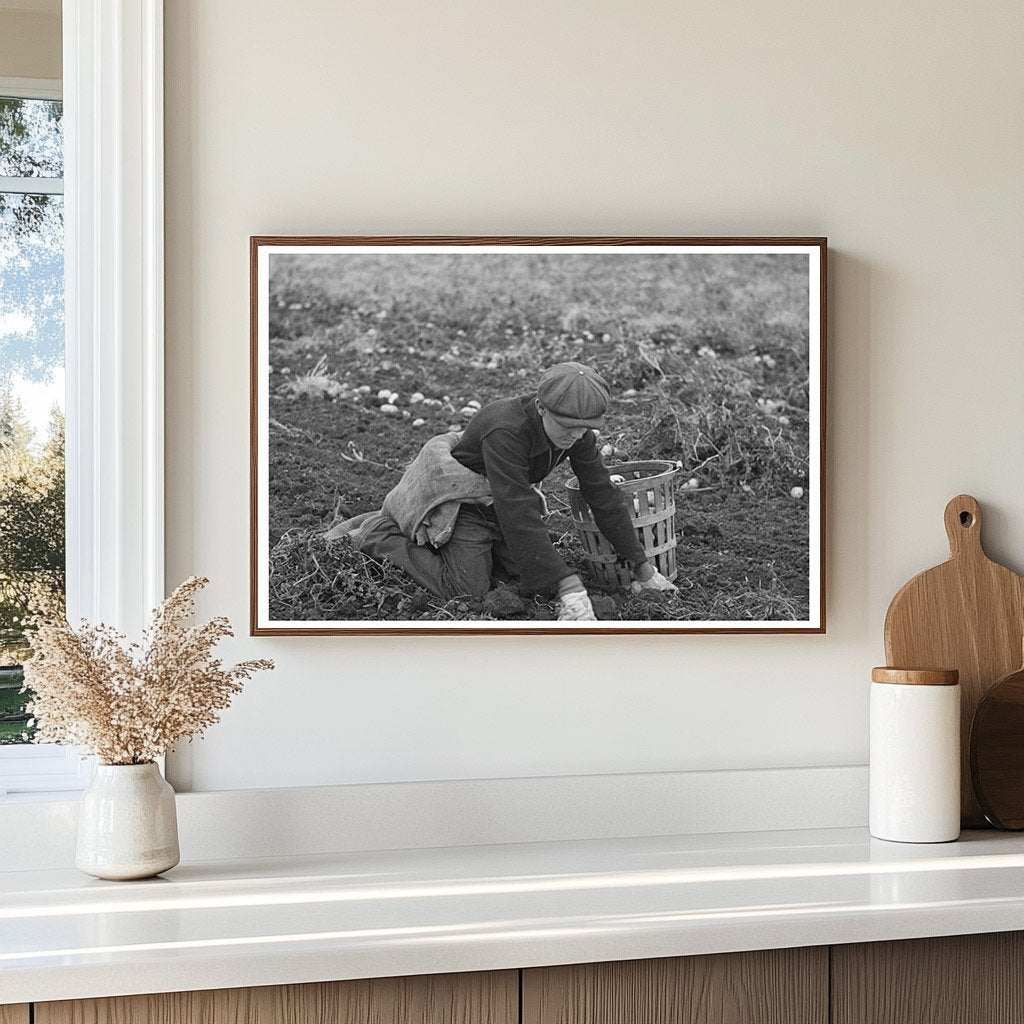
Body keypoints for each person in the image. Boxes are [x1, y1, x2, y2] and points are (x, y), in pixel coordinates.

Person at [330, 362, 677, 620]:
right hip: (464, 500)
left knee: (525, 573)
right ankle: (380, 534)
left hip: (497, 500)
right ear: (541, 408)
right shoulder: (506, 430)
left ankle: (481, 551)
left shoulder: (577, 434)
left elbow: (601, 493)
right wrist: (568, 585)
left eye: (584, 429)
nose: (576, 436)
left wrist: (642, 567)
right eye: (568, 427)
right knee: (467, 591)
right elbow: (518, 508)